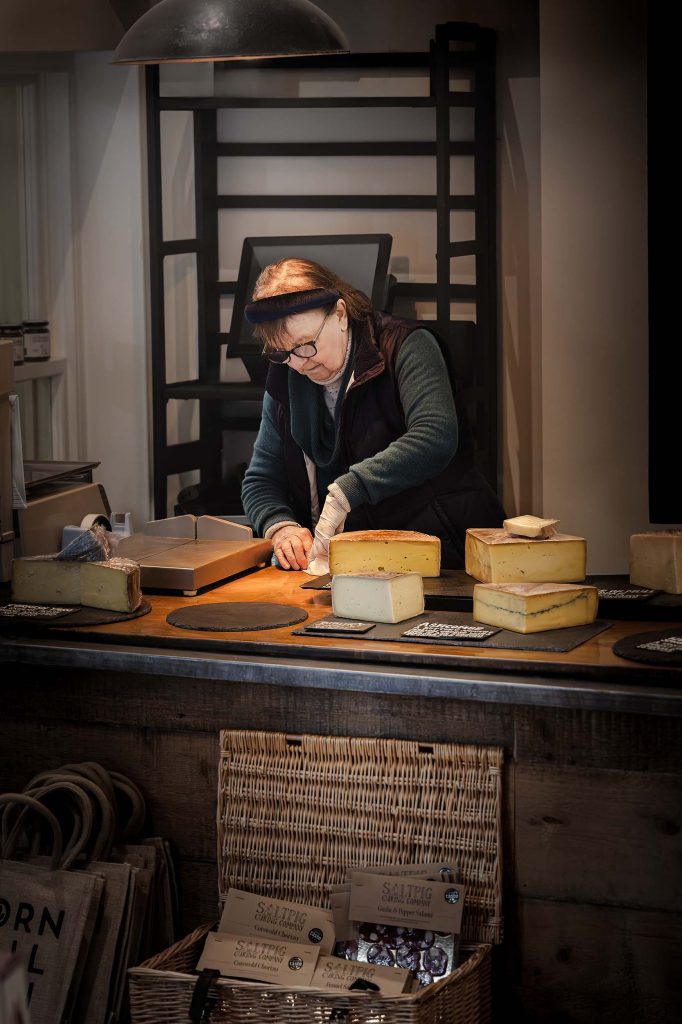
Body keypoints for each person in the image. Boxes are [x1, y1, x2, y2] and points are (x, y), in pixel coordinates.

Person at [240, 257, 505, 573]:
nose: (298, 363)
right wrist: (279, 527)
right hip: (349, 567)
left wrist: (349, 490)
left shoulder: (406, 345)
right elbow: (261, 478)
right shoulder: (286, 372)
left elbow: (435, 436)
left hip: (444, 557)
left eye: (306, 345)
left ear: (339, 314)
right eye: (282, 352)